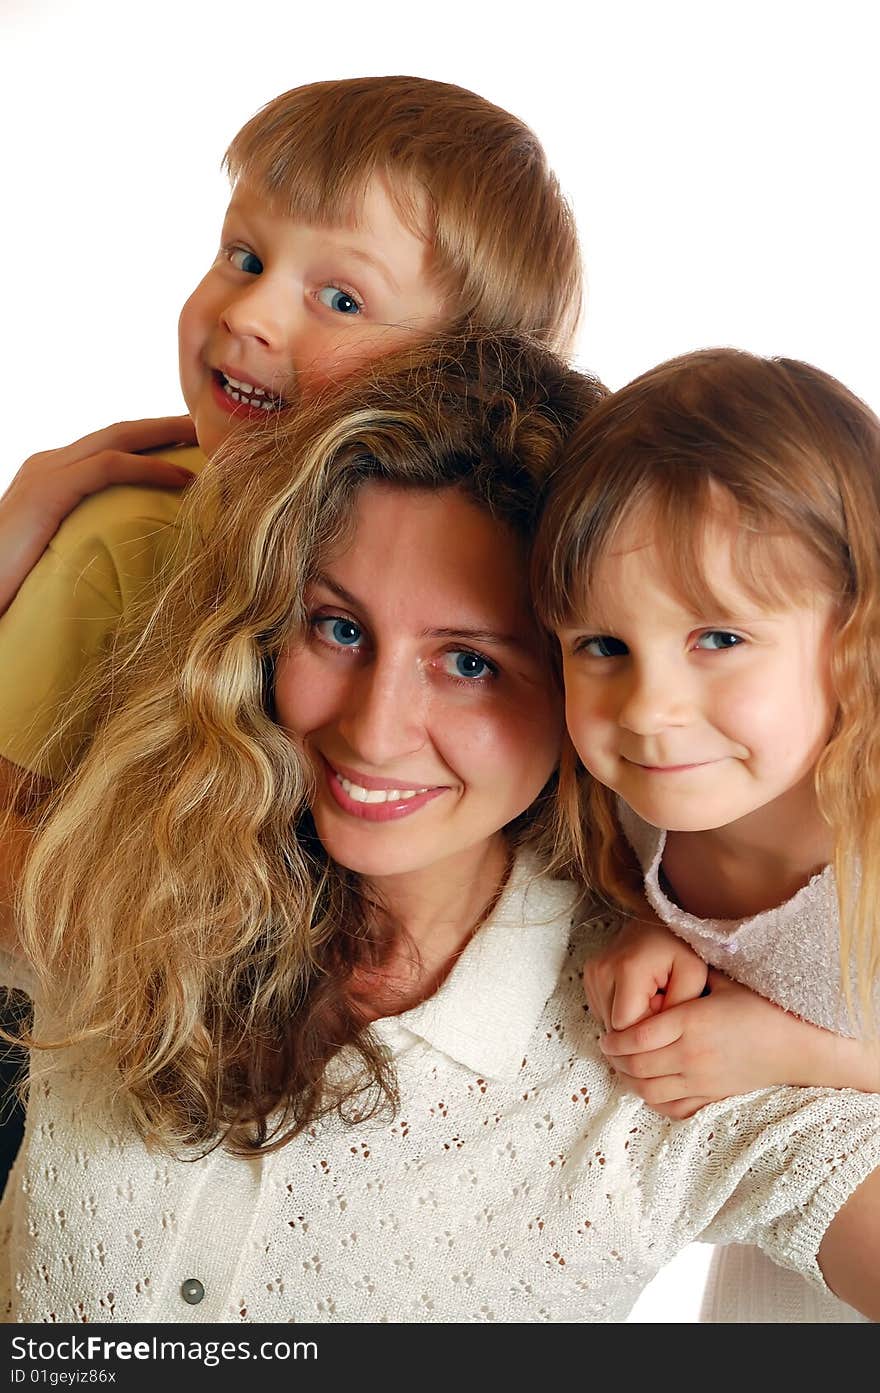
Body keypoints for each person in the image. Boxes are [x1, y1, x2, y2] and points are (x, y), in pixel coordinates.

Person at [3, 336, 880, 1324]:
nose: (373, 731)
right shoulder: (104, 867)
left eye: (468, 662)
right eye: (337, 627)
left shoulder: (670, 1050)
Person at [0, 73, 583, 1190]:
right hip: (58, 1061)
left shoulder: (513, 566)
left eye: (341, 298)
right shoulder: (128, 536)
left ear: (465, 378)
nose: (250, 315)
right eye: (244, 255)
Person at [531, 346, 880, 1321]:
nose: (649, 708)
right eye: (602, 646)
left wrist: (786, 1050)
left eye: (717, 639)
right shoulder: (636, 804)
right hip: (790, 1260)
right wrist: (638, 929)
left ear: (855, 635)